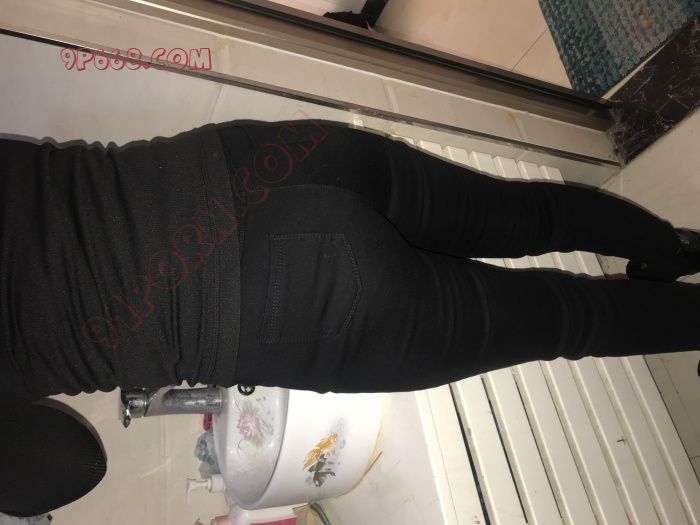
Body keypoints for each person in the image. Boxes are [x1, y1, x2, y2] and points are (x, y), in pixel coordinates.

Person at [1, 117, 699, 406]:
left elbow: (62, 467)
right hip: (256, 163)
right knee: (529, 213)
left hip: (282, 308)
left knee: (567, 320)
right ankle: (674, 247)